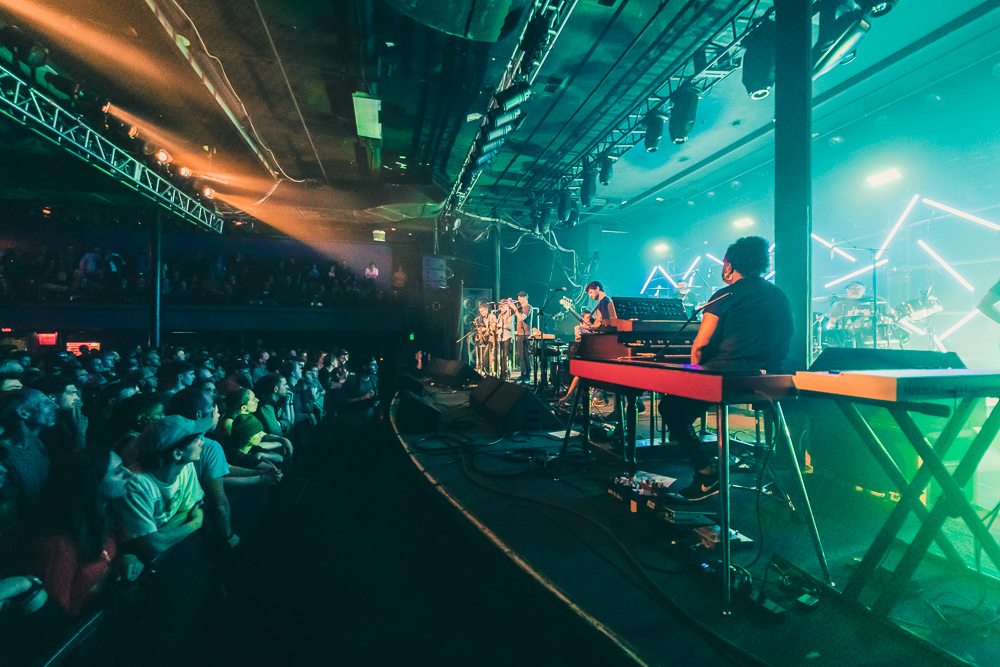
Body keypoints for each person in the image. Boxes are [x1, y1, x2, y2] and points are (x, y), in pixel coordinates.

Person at [658, 236, 792, 501]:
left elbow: (700, 346)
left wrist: (692, 374)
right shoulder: (779, 295)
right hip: (771, 380)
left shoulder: (724, 295)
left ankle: (706, 472)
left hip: (726, 379)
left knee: (670, 408)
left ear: (729, 266)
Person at [27, 448, 144, 618]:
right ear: (92, 483)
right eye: (118, 471)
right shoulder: (59, 546)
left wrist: (126, 557)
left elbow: (108, 556)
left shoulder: (105, 516)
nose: (129, 474)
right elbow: (56, 616)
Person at [117, 415, 211, 560]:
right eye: (195, 439)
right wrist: (195, 523)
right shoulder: (137, 484)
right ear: (177, 453)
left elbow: (187, 510)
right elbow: (154, 545)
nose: (202, 441)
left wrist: (157, 536)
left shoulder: (185, 467)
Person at [514, 291, 532, 382]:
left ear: (525, 297)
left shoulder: (528, 307)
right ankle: (523, 374)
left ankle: (527, 374)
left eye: (520, 297)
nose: (519, 299)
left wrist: (515, 309)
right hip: (520, 333)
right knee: (520, 355)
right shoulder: (520, 308)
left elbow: (521, 318)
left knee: (525, 355)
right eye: (518, 297)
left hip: (525, 334)